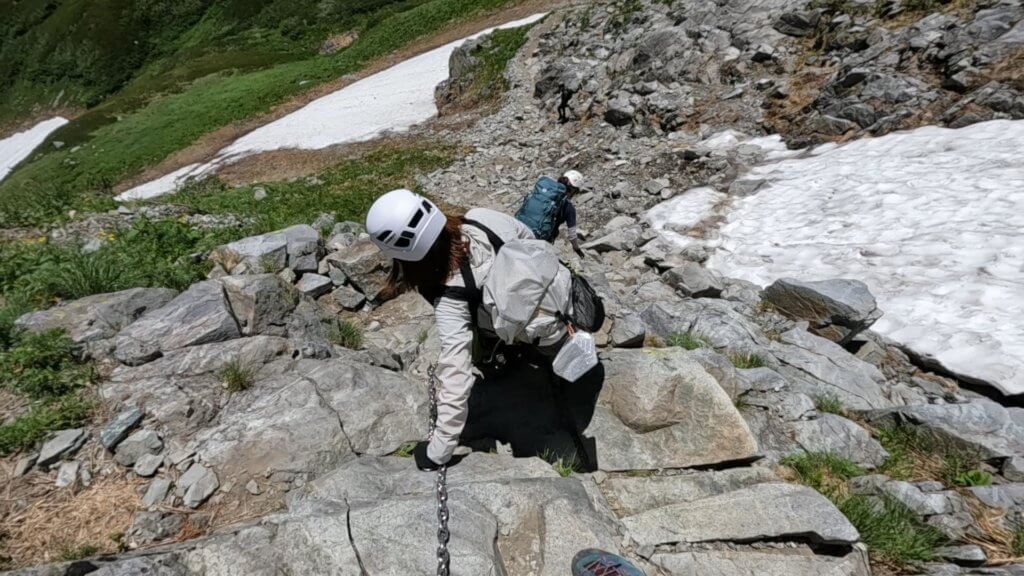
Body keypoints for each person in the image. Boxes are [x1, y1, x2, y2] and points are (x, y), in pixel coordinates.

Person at [366, 189, 593, 471]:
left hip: (534, 334)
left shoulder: (451, 296)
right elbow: (529, 239)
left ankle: (516, 356)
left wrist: (437, 452)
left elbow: (456, 375)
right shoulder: (481, 218)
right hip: (567, 299)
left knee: (477, 350)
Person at [556, 170, 586, 259]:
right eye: (576, 191)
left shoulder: (544, 189)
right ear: (572, 189)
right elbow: (572, 235)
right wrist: (577, 249)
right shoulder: (569, 207)